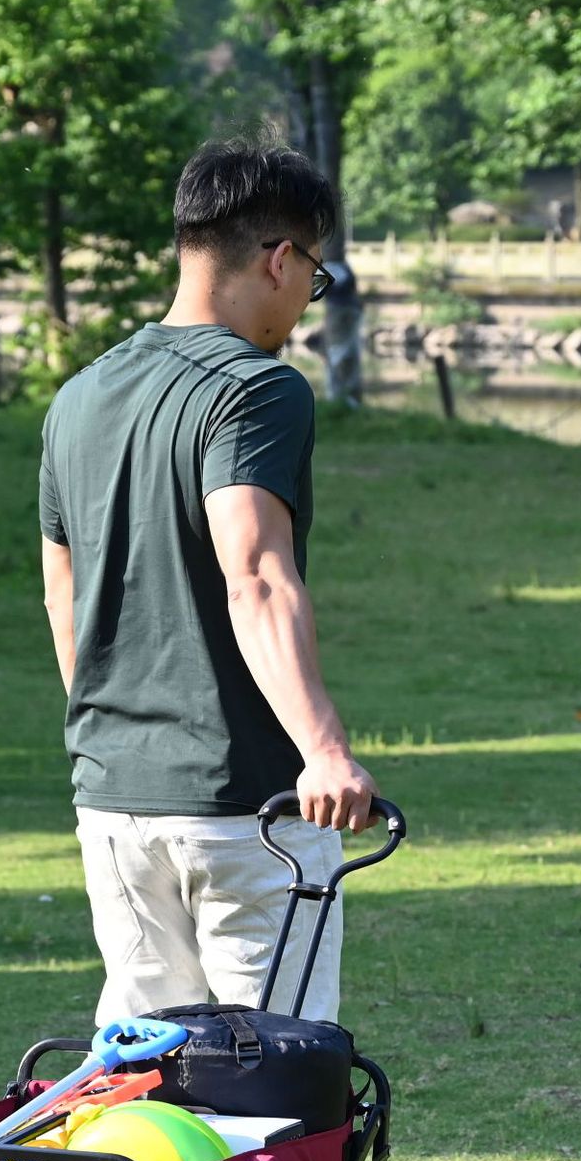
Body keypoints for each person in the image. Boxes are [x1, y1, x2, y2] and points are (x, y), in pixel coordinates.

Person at [38, 139, 377, 1026]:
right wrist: (325, 750)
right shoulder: (259, 392)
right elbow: (257, 573)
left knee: (142, 1087)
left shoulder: (79, 396)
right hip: (244, 808)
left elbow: (61, 592)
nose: (309, 299)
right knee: (270, 1084)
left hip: (113, 799)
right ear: (280, 259)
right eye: (316, 274)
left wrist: (120, 739)